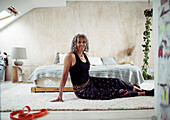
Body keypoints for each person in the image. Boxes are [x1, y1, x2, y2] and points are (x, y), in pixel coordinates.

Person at [51, 34, 154, 102]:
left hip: (90, 81)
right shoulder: (70, 56)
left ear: (86, 43)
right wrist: (60, 95)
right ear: (75, 43)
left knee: (116, 81)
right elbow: (64, 76)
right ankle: (144, 93)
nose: (81, 44)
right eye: (79, 42)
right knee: (112, 92)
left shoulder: (85, 55)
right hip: (82, 90)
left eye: (83, 42)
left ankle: (139, 88)